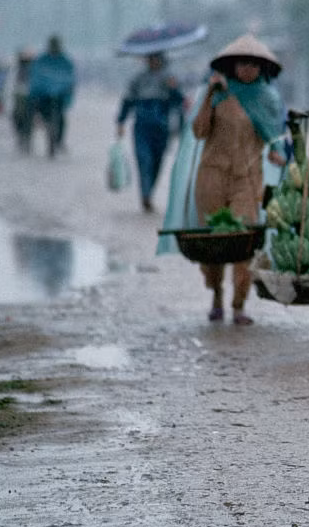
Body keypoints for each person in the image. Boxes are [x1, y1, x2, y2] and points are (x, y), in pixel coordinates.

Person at [191, 33, 288, 326]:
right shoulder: (218, 95)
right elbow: (198, 131)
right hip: (212, 176)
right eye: (243, 64)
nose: (249, 69)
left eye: (254, 64)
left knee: (243, 241)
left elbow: (276, 136)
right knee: (214, 243)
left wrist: (277, 152)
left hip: (247, 178)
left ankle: (239, 304)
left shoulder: (268, 99)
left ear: (263, 68)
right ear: (232, 66)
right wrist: (209, 95)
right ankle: (217, 294)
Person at [116, 52, 188, 213]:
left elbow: (180, 102)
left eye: (156, 59)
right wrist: (120, 121)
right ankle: (145, 194)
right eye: (151, 58)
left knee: (157, 162)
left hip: (162, 128)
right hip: (142, 127)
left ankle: (150, 192)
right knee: (144, 160)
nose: (153, 62)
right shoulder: (138, 79)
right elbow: (127, 101)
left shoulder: (170, 78)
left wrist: (174, 89)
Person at [28, 35, 76, 159]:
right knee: (38, 115)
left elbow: (70, 79)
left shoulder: (65, 61)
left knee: (61, 120)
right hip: (43, 96)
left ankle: (59, 141)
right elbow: (35, 78)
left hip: (59, 96)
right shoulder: (42, 60)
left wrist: (67, 94)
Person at [11, 47, 35, 154]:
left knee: (28, 118)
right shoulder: (16, 69)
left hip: (30, 95)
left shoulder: (34, 69)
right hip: (20, 95)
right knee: (17, 116)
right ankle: (21, 136)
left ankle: (26, 137)